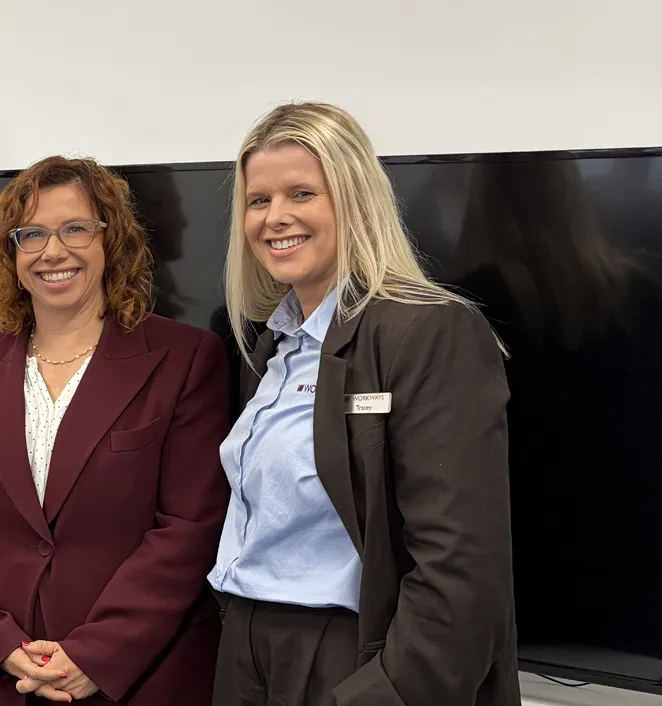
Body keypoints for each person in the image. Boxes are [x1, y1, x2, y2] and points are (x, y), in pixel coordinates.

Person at [209, 101, 518, 706]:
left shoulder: (427, 331)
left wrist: (383, 693)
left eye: (302, 193)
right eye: (258, 199)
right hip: (248, 643)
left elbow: (461, 572)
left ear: (355, 200)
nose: (275, 217)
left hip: (352, 654)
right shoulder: (270, 345)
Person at [0, 155, 231, 705]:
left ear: (110, 240)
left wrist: (96, 653)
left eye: (75, 228)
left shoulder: (186, 358)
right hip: (4, 676)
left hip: (138, 676)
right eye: (32, 234)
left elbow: (190, 527)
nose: (53, 251)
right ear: (11, 253)